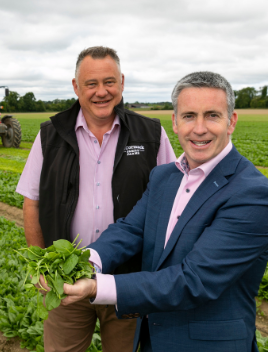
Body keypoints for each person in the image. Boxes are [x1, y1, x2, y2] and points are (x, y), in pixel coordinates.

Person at [59, 71, 268, 352]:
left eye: (212, 116)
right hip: (152, 339)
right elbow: (131, 229)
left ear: (231, 122)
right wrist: (87, 260)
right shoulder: (164, 177)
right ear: (175, 122)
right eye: (189, 115)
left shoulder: (252, 192)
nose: (199, 128)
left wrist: (98, 286)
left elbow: (195, 280)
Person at [16, 46, 176, 352]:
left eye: (109, 82)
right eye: (91, 84)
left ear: (122, 83)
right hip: (65, 278)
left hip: (129, 282)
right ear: (76, 87)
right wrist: (40, 266)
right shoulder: (50, 135)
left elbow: (170, 204)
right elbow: (32, 201)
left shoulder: (150, 134)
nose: (101, 92)